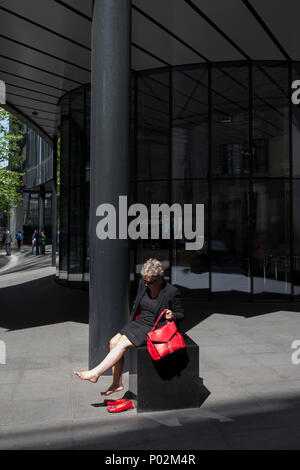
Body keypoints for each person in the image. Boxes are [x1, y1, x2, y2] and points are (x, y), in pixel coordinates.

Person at [74, 258, 184, 396]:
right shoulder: (143, 284)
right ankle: (117, 384)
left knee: (122, 344)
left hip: (155, 327)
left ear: (159, 279)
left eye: (149, 282)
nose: (146, 284)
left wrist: (171, 315)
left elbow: (181, 314)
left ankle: (95, 373)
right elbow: (137, 303)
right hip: (140, 322)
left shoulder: (171, 292)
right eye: (144, 280)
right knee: (113, 342)